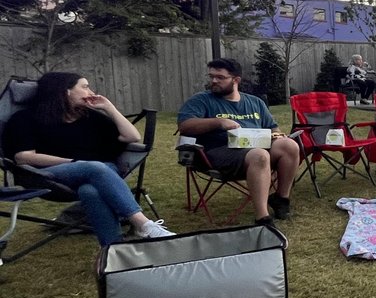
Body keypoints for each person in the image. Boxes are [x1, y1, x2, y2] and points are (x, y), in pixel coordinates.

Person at [3, 71, 174, 244]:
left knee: (90, 190)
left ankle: (114, 248)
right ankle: (143, 224)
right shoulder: (25, 119)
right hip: (48, 176)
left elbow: (132, 137)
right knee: (94, 167)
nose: (91, 92)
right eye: (85, 87)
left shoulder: (91, 117)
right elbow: (24, 157)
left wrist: (109, 107)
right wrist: (75, 163)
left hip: (103, 174)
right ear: (65, 91)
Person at [178, 58, 300, 226]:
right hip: (218, 153)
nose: (214, 81)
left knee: (289, 145)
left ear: (236, 80)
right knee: (260, 155)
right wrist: (218, 122)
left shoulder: (255, 102)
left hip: (256, 150)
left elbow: (273, 129)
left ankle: (281, 198)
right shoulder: (201, 100)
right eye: (211, 76)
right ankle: (262, 218)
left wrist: (277, 136)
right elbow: (185, 126)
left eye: (220, 77)